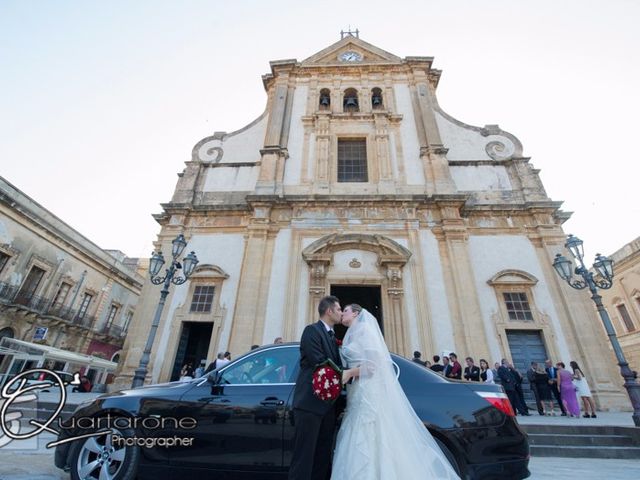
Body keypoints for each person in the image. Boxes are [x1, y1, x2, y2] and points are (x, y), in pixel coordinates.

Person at [331, 305, 459, 480]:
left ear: (356, 313)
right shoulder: (351, 333)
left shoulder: (365, 330)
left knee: (370, 432)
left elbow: (373, 365)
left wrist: (349, 373)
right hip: (357, 391)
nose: (342, 313)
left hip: (368, 390)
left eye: (345, 310)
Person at [289, 295, 343, 480]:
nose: (341, 312)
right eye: (338, 309)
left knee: (322, 456)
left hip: (327, 407)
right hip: (310, 404)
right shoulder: (312, 331)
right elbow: (320, 363)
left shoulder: (331, 335)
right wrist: (350, 373)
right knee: (304, 457)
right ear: (329, 311)